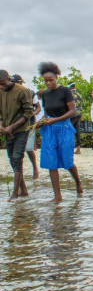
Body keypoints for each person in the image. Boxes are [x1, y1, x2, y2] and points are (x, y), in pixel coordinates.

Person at [36, 62, 83, 202]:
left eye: (51, 80)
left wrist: (55, 120)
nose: (48, 83)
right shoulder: (45, 94)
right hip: (49, 130)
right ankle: (57, 195)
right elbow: (46, 113)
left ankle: (78, 183)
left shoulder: (65, 91)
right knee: (51, 162)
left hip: (64, 128)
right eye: (46, 81)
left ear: (56, 77)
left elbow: (72, 111)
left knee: (67, 161)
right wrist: (40, 122)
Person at [0, 70, 33, 201]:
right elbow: (1, 113)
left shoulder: (22, 91)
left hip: (21, 129)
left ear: (10, 80)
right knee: (11, 158)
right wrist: (1, 125)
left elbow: (28, 113)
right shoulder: (1, 92)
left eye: (2, 84)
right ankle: (23, 190)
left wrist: (12, 126)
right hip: (7, 131)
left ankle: (15, 193)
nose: (1, 87)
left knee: (17, 157)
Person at [12, 74, 41, 179]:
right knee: (18, 151)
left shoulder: (30, 92)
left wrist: (30, 114)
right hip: (15, 124)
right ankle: (20, 173)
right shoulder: (10, 94)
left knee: (29, 148)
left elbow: (38, 108)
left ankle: (35, 168)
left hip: (28, 124)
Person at [68, 82, 83, 154]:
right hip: (79, 115)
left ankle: (69, 148)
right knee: (77, 132)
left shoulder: (70, 95)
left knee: (69, 131)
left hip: (72, 115)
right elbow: (81, 106)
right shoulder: (79, 94)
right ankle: (78, 148)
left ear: (70, 86)